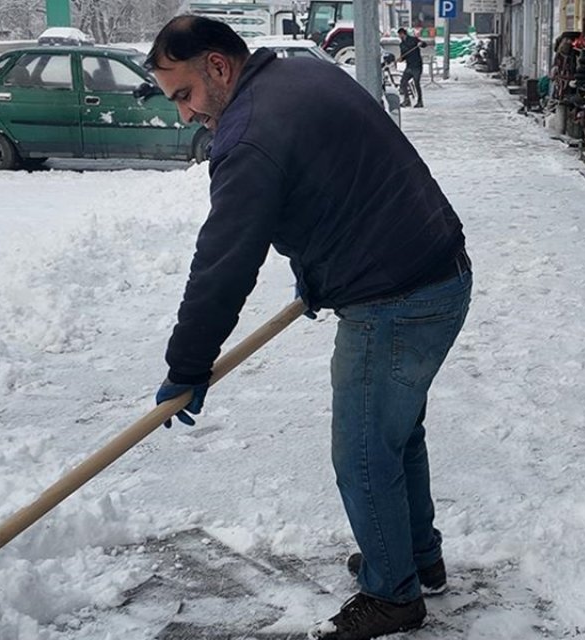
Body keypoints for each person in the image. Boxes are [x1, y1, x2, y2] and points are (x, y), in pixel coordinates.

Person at [146, 15, 471, 640]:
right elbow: (339, 186)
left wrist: (187, 366)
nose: (185, 114)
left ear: (218, 66)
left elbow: (223, 266)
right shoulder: (302, 74)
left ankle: (393, 593)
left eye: (184, 95)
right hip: (437, 269)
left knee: (363, 451)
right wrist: (319, 272)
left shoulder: (246, 136)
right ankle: (414, 557)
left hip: (397, 296)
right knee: (395, 433)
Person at [397, 27, 428, 108]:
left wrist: (421, 43)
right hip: (409, 65)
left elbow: (424, 44)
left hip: (417, 65)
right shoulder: (401, 44)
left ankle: (420, 101)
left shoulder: (414, 39)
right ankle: (407, 100)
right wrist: (401, 58)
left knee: (416, 83)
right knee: (403, 82)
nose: (399, 36)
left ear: (403, 34)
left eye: (400, 34)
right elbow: (404, 55)